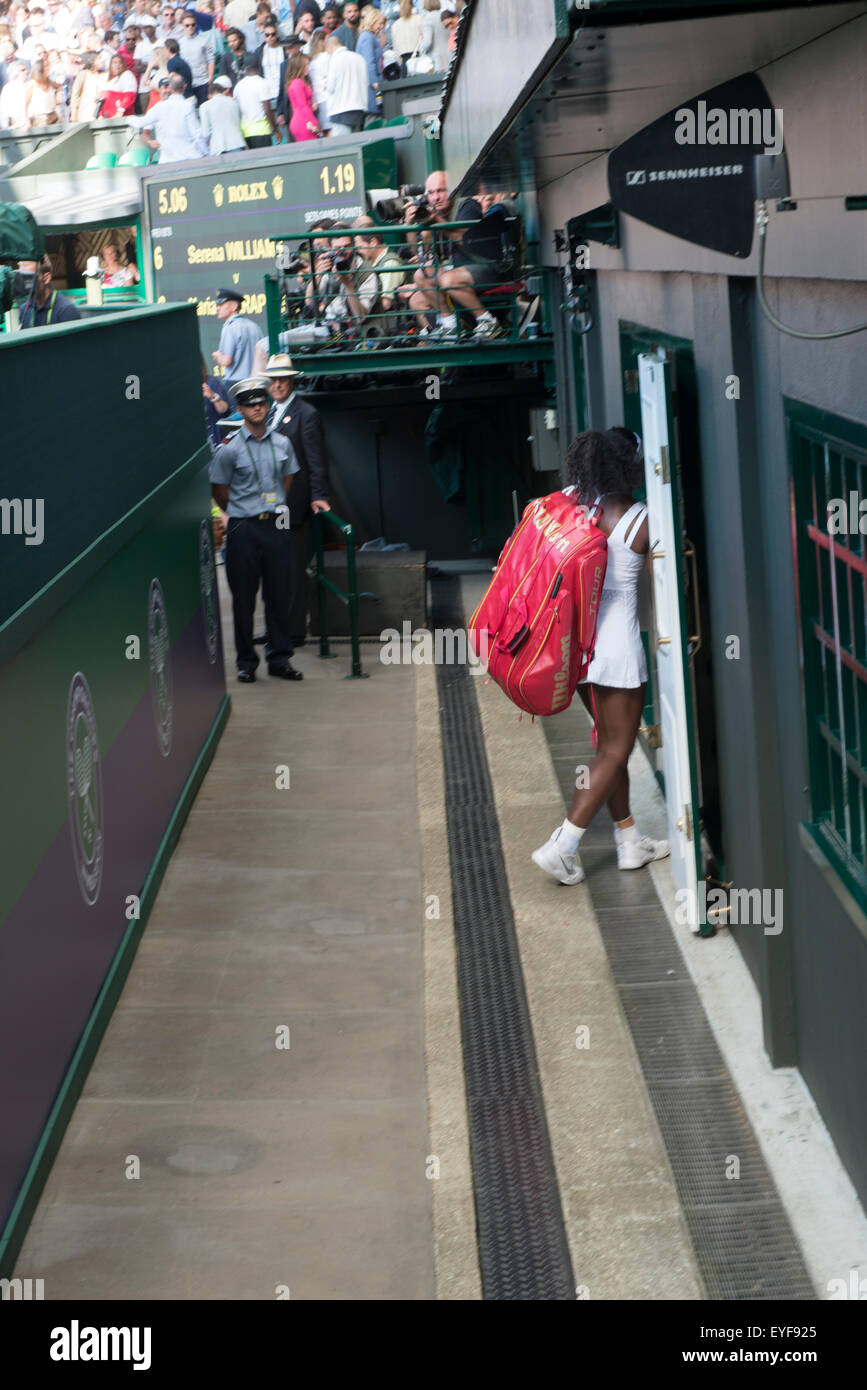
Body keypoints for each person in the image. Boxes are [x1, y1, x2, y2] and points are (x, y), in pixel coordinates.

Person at [531, 429, 670, 884]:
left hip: (577, 648)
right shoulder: (641, 518)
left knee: (610, 747)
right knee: (614, 750)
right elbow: (666, 588)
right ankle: (564, 845)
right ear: (629, 467)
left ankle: (630, 841)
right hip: (618, 652)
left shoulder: (571, 504)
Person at [208, 376, 302, 682]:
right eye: (250, 405)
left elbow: (287, 480)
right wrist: (239, 509)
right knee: (244, 600)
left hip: (275, 526)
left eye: (261, 403)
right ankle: (246, 663)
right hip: (243, 530)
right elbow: (219, 490)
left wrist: (271, 505)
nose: (257, 408)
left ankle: (279, 659)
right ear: (240, 409)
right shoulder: (229, 450)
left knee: (278, 596)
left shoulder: (282, 443)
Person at [261, 352, 329, 647]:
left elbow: (316, 461)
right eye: (273, 379)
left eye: (282, 379)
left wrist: (318, 496)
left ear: (291, 381)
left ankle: (294, 632)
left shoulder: (307, 414)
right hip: (266, 505)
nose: (277, 384)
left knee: (292, 568)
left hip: (293, 505)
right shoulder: (265, 413)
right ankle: (275, 627)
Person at [132, 70, 207, 159]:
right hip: (172, 157)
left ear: (172, 88)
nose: (167, 90)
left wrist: (129, 119)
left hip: (181, 157)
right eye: (165, 87)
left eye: (168, 87)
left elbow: (139, 123)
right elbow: (144, 131)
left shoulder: (184, 106)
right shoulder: (157, 108)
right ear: (159, 89)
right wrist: (150, 142)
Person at [212, 285, 260, 385]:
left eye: (221, 304)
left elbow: (226, 361)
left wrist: (217, 355)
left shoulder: (229, 327)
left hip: (236, 385)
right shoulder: (254, 326)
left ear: (234, 306)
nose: (217, 308)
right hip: (256, 383)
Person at [18, 255, 82, 326]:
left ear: (46, 278)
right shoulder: (24, 310)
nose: (25, 283)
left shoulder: (66, 311)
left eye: (29, 278)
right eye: (22, 278)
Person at [323, 27, 364, 133]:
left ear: (329, 47)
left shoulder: (334, 60)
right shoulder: (358, 58)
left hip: (340, 110)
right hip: (358, 108)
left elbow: (330, 87)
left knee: (344, 147)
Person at [233, 48, 276, 145]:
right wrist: (276, 129)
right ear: (258, 67)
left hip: (246, 132)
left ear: (245, 69)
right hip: (262, 130)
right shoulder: (262, 83)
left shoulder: (238, 86)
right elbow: (267, 109)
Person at [199, 71, 243, 149]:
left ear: (210, 94)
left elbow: (206, 133)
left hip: (218, 146)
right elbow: (239, 122)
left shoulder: (204, 106)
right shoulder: (234, 102)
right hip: (237, 143)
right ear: (222, 91)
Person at [178, 3, 212, 101]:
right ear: (182, 26)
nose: (190, 27)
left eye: (193, 25)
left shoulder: (204, 40)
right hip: (187, 84)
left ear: (196, 25)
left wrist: (209, 78)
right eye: (187, 25)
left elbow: (211, 60)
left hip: (203, 82)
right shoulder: (179, 43)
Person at [354, 0, 381, 118]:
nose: (381, 27)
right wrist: (375, 83)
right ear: (372, 21)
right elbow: (369, 62)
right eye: (379, 23)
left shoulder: (367, 36)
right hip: (371, 90)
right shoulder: (367, 38)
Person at [283, 48, 316, 140]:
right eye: (306, 65)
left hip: (303, 120)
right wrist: (313, 123)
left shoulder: (298, 82)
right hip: (303, 122)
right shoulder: (297, 83)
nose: (308, 67)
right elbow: (303, 105)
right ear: (299, 66)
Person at [69, 48, 101, 116]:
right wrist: (74, 113)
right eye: (99, 58)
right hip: (85, 111)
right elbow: (75, 94)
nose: (101, 61)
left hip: (98, 110)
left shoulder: (101, 74)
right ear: (92, 61)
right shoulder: (83, 74)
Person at [420, 0, 448, 70]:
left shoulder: (428, 19)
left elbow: (427, 42)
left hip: (439, 59)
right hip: (451, 53)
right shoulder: (445, 15)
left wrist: (421, 48)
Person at [0, 60, 28, 127]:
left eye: (26, 69)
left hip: (29, 123)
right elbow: (3, 110)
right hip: (15, 125)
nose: (26, 71)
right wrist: (5, 128)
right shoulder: (8, 88)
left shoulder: (28, 85)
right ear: (15, 72)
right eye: (23, 70)